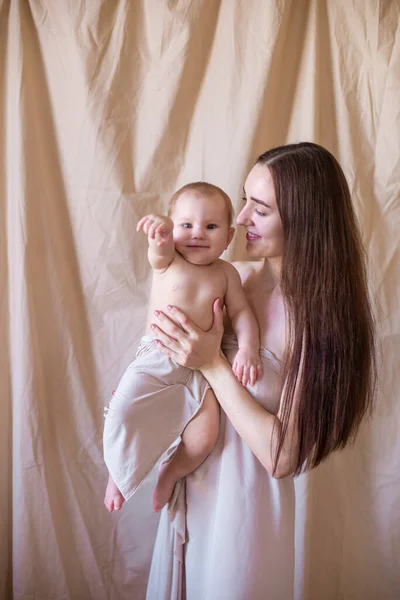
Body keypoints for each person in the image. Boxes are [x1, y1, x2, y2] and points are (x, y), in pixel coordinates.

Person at [145, 142, 376, 599]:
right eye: (245, 199)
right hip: (192, 489)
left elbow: (282, 457)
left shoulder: (317, 320)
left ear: (304, 221)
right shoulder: (233, 279)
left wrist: (211, 362)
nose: (242, 217)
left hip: (244, 514)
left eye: (261, 208)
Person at [103, 182, 261, 514]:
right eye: (185, 225)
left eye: (211, 226)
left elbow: (243, 313)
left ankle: (171, 471)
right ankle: (118, 473)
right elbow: (157, 252)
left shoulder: (227, 273)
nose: (197, 234)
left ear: (229, 236)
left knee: (204, 438)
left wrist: (247, 349)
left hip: (202, 371)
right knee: (123, 412)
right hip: (158, 359)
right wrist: (160, 235)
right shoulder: (169, 260)